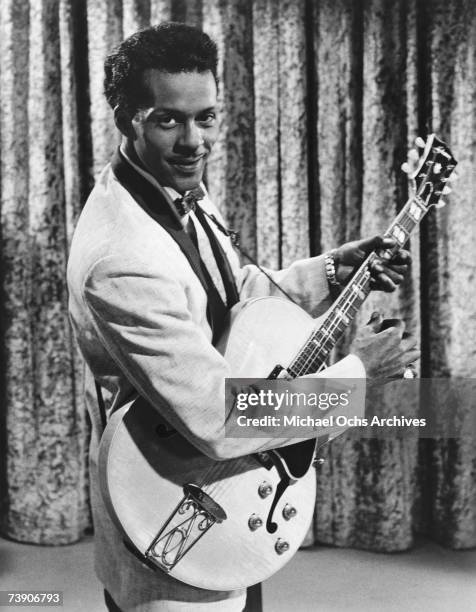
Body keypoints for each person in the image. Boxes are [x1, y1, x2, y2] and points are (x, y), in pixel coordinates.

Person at [67, 22, 419, 612]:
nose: (193, 141)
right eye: (168, 119)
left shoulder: (173, 185)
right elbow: (217, 416)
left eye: (206, 117)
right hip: (174, 505)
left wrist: (332, 270)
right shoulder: (119, 257)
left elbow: (230, 299)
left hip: (226, 486)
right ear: (127, 118)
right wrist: (359, 373)